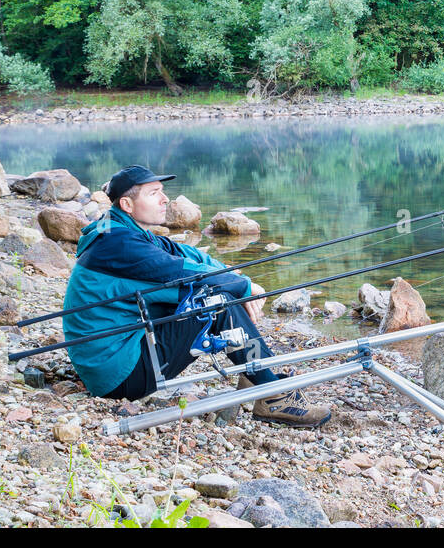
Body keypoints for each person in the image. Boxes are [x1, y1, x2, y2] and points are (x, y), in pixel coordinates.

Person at [61, 165, 330, 427]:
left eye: (162, 191)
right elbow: (185, 272)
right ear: (127, 205)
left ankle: (258, 374)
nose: (165, 199)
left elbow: (190, 256)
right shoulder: (120, 244)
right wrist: (244, 288)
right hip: (118, 375)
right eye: (154, 193)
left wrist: (236, 278)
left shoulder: (119, 230)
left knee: (218, 291)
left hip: (112, 357)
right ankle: (273, 394)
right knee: (216, 304)